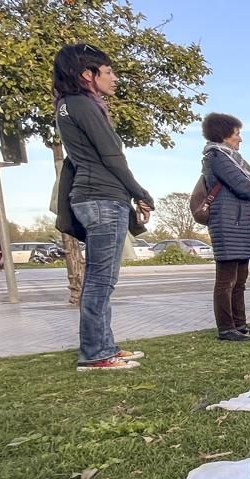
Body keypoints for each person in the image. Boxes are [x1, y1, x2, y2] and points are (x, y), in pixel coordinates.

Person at [53, 43, 153, 371]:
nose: (114, 77)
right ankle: (96, 353)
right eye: (107, 72)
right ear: (87, 75)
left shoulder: (69, 105)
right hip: (102, 198)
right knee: (100, 280)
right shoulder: (82, 104)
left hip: (95, 197)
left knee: (102, 278)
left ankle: (105, 345)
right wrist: (140, 192)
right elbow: (112, 156)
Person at [201, 112, 250, 342]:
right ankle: (226, 327)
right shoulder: (217, 158)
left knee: (240, 279)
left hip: (240, 224)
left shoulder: (235, 161)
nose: (240, 139)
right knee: (226, 280)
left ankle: (240, 323)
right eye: (237, 134)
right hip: (227, 223)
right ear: (224, 135)